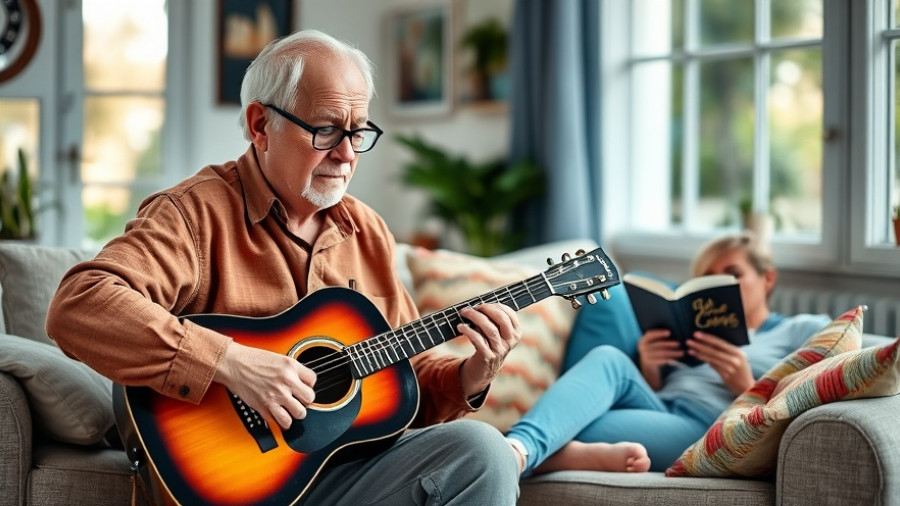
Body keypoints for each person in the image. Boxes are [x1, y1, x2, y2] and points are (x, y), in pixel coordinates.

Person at [46, 29, 523, 505]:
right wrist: (231, 363)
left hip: (341, 479)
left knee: (485, 451)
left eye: (358, 132)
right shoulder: (193, 214)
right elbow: (79, 305)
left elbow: (405, 381)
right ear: (260, 125)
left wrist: (472, 374)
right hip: (232, 483)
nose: (347, 154)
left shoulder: (369, 231)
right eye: (327, 130)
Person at [503, 232, 832, 475]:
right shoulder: (692, 328)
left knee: (561, 421)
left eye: (734, 274)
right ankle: (518, 450)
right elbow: (655, 390)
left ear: (768, 279)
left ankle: (521, 451)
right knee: (609, 358)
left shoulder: (800, 329)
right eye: (710, 277)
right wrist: (650, 367)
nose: (723, 283)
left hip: (709, 422)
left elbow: (804, 398)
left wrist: (745, 385)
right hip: (659, 406)